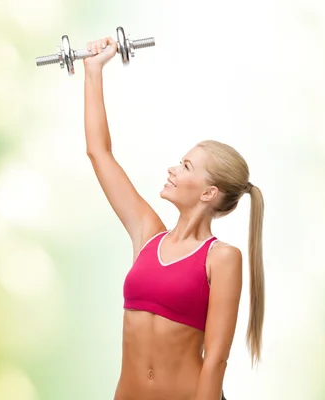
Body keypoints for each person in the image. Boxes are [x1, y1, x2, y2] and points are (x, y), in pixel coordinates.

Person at [83, 36, 265, 400]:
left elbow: (215, 361)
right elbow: (99, 153)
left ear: (208, 193)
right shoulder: (148, 234)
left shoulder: (221, 258)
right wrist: (93, 71)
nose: (172, 170)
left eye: (185, 166)